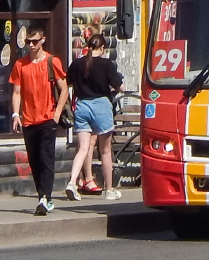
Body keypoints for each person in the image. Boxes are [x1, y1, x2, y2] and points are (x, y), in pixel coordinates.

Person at [9, 30, 67, 215]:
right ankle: (42, 195)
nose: (31, 45)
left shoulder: (52, 61)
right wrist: (15, 114)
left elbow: (64, 89)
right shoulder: (20, 64)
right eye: (28, 42)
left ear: (43, 40)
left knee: (46, 157)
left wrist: (56, 114)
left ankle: (45, 197)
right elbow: (16, 92)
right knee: (34, 160)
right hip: (28, 120)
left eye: (34, 41)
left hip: (47, 118)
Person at [65, 34, 124, 201]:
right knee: (105, 150)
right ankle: (110, 189)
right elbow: (120, 87)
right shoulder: (107, 64)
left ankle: (72, 182)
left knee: (83, 148)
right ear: (103, 48)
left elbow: (67, 83)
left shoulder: (76, 63)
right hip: (101, 106)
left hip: (82, 106)